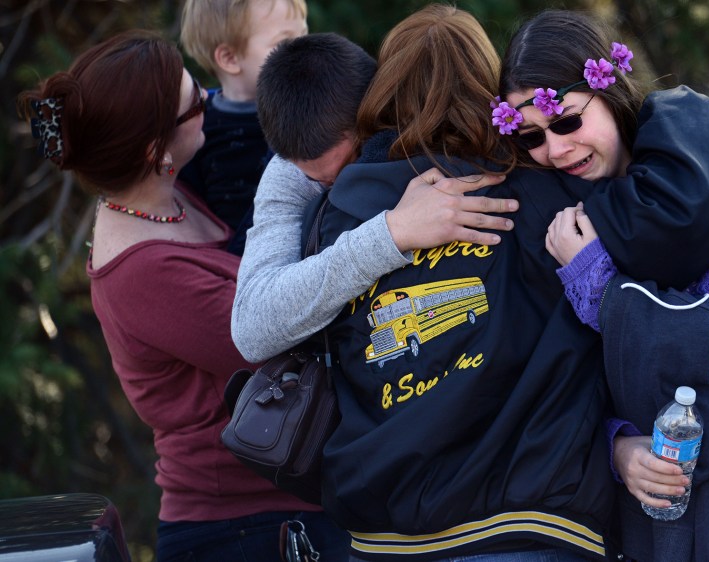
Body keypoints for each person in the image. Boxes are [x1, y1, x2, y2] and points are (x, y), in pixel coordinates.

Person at [305, 5, 709, 561]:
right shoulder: (541, 199)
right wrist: (684, 107)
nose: (554, 148)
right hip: (529, 525)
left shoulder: (336, 215)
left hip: (378, 538)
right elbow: (673, 215)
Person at [497, 10, 709, 562]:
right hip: (642, 518)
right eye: (531, 136)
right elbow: (572, 378)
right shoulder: (561, 217)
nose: (555, 150)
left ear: (609, 91)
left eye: (567, 122)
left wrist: (594, 277)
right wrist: (619, 447)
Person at [17, 30, 347, 561]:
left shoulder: (169, 194)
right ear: (155, 151)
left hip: (280, 505)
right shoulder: (144, 276)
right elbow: (280, 331)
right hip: (243, 529)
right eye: (197, 103)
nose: (210, 104)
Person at [231, 32, 516, 363]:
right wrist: (392, 232)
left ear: (375, 111)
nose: (339, 188)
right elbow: (252, 330)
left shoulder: (423, 123)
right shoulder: (288, 170)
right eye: (318, 180)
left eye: (348, 166)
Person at [178, 0, 308, 255]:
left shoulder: (314, 104)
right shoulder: (198, 125)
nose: (304, 52)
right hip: (237, 265)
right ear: (229, 58)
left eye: (304, 36)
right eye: (284, 43)